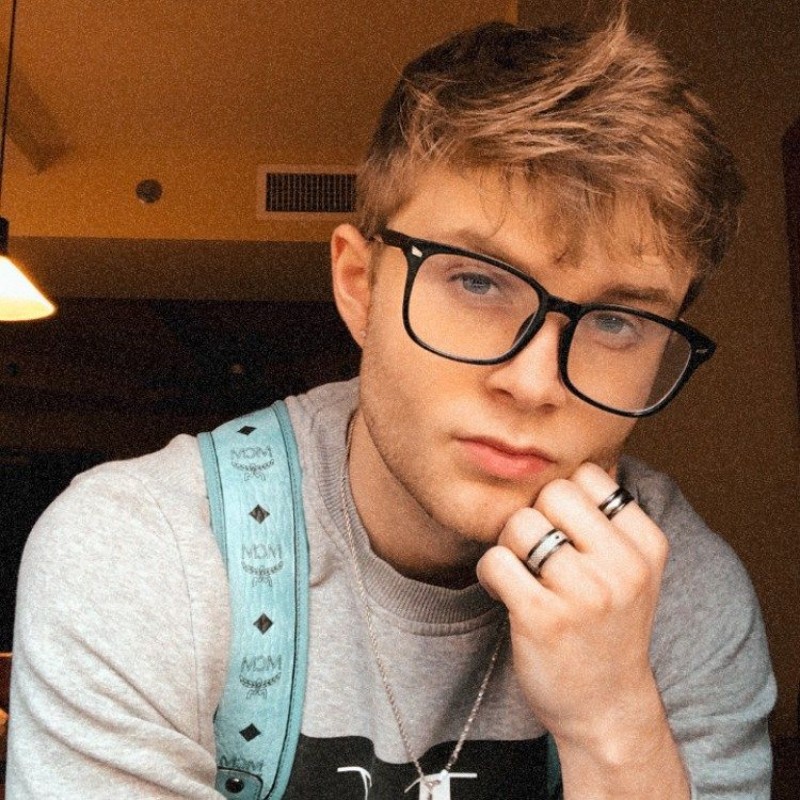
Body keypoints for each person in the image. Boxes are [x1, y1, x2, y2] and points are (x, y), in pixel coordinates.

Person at [7, 11, 775, 800]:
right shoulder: (146, 551)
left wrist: (614, 725)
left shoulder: (678, 595)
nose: (534, 382)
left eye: (616, 321)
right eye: (477, 282)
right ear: (360, 287)